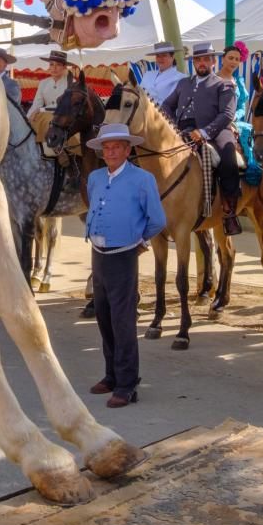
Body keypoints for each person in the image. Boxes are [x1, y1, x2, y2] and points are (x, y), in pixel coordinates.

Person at [83, 122, 167, 409]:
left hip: (123, 254)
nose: (111, 152)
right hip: (98, 252)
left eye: (117, 147)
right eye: (107, 147)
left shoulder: (142, 180)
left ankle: (127, 384)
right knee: (104, 317)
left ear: (128, 150)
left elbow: (157, 220)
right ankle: (111, 374)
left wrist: (140, 243)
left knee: (123, 320)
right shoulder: (95, 177)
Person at [161, 41, 243, 234]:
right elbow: (166, 106)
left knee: (228, 160)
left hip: (216, 131)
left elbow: (227, 114)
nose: (203, 63)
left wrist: (205, 132)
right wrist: (173, 127)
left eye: (207, 59)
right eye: (199, 60)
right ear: (194, 63)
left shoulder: (224, 85)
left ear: (214, 62)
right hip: (183, 131)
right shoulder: (183, 83)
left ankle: (229, 213)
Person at [222, 41, 259, 184]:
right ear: (223, 58)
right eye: (230, 58)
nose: (234, 62)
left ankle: (252, 167)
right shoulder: (213, 79)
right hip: (214, 121)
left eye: (237, 59)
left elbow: (242, 107)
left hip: (234, 121)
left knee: (248, 130)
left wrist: (233, 117)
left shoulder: (239, 81)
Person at [26, 48, 72, 125]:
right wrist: (27, 120)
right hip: (47, 120)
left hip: (66, 123)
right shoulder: (43, 83)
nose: (54, 68)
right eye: (52, 64)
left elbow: (63, 106)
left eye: (58, 65)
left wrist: (41, 110)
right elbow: (36, 104)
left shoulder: (71, 83)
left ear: (64, 67)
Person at [141, 41, 183, 106]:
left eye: (164, 55)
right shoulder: (148, 75)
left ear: (172, 57)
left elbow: (174, 102)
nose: (160, 59)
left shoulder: (181, 78)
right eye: (158, 56)